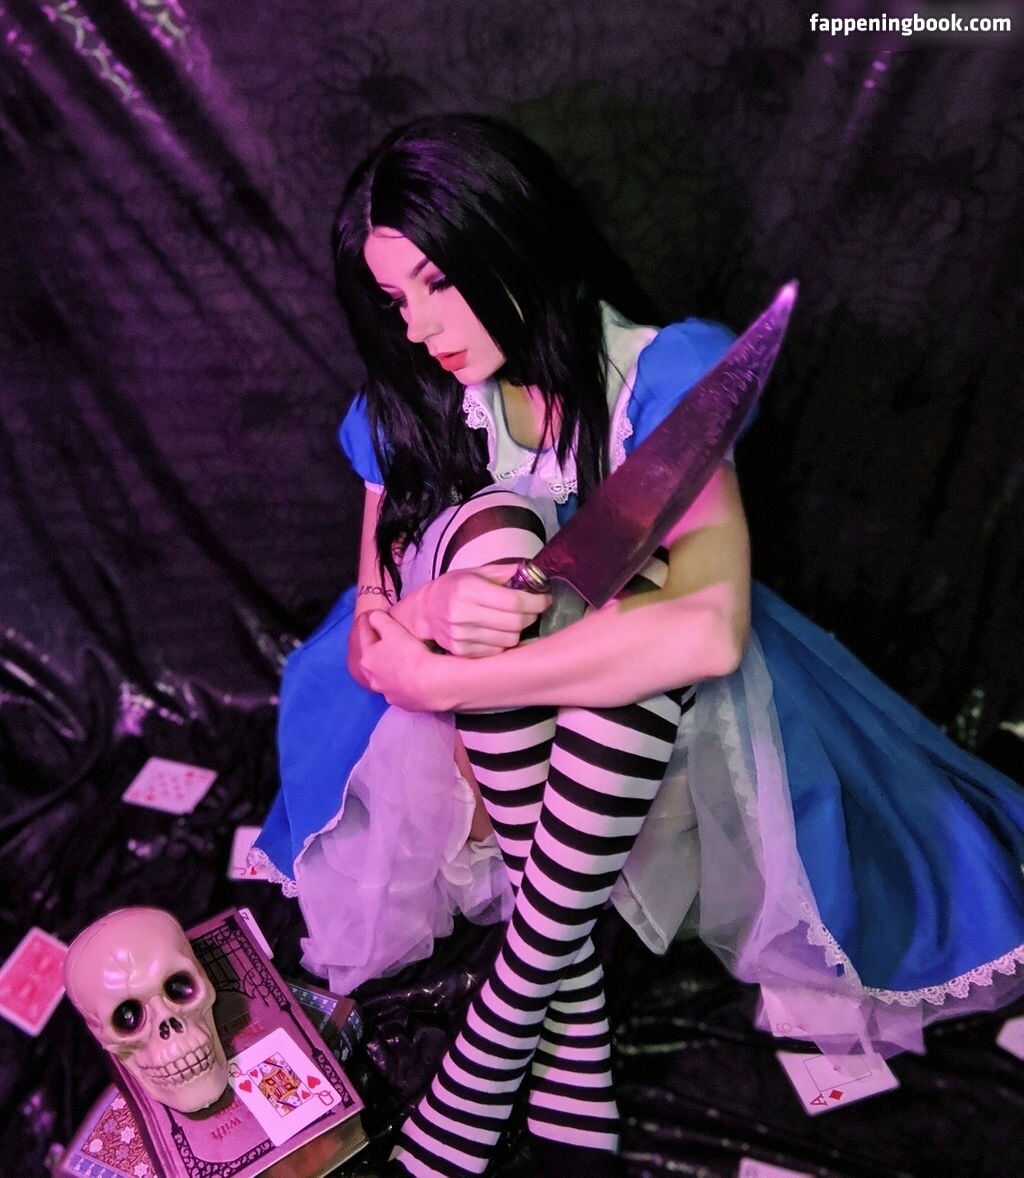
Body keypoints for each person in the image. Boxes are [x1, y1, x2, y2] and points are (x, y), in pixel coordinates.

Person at [254, 114, 1024, 1178]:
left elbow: (708, 627)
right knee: (501, 532)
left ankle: (505, 1022)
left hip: (648, 731)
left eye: (440, 280)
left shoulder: (660, 371)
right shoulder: (407, 400)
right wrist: (427, 621)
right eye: (395, 299)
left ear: (512, 239)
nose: (420, 325)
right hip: (474, 754)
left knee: (633, 606)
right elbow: (371, 632)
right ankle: (569, 1013)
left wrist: (450, 669)